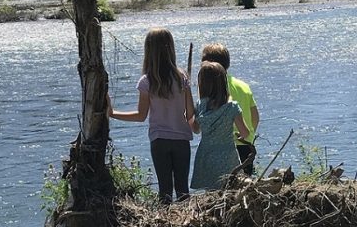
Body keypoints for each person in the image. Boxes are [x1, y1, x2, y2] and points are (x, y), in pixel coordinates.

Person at [108, 27, 194, 203]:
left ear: (149, 51)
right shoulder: (182, 77)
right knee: (183, 189)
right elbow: (190, 113)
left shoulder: (146, 81)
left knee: (165, 190)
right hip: (182, 139)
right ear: (171, 48)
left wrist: (112, 113)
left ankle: (167, 225)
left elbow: (141, 116)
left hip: (159, 140)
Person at [190, 61, 250, 191]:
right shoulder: (232, 107)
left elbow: (195, 130)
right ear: (223, 83)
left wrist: (187, 115)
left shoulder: (200, 106)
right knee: (229, 191)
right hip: (227, 156)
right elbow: (245, 133)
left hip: (206, 155)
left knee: (210, 193)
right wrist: (239, 136)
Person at [200, 43, 259, 174]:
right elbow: (255, 116)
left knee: (221, 187)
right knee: (245, 185)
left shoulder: (211, 89)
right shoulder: (243, 86)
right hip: (245, 144)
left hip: (222, 147)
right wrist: (249, 134)